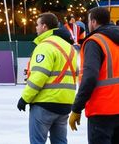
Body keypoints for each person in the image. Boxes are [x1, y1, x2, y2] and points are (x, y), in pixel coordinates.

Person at [68, 6, 119, 143]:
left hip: (102, 110)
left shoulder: (94, 42)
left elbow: (90, 78)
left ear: (93, 22)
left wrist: (77, 108)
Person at [18, 12, 77, 144]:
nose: (36, 28)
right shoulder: (70, 47)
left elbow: (39, 76)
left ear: (44, 26)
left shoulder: (45, 46)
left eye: (37, 25)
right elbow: (75, 74)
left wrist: (24, 98)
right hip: (65, 104)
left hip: (45, 103)